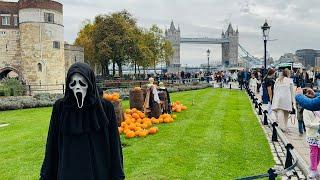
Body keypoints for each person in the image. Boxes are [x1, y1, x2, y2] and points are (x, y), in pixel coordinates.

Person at [40, 62, 125, 180]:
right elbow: (52, 143)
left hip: (98, 172)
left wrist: (117, 175)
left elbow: (114, 145)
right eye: (73, 83)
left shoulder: (104, 108)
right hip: (68, 171)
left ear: (90, 83)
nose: (77, 88)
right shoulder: (61, 108)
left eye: (82, 83)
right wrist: (46, 175)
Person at [271, 68, 295, 133]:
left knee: (280, 111)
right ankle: (284, 126)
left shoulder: (277, 80)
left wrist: (275, 97)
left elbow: (274, 90)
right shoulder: (290, 80)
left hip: (278, 97)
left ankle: (282, 126)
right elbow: (292, 91)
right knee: (286, 112)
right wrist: (293, 101)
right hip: (287, 98)